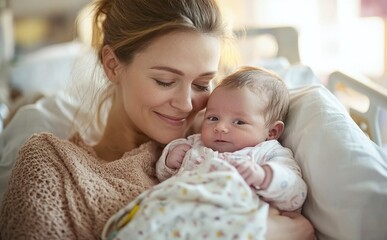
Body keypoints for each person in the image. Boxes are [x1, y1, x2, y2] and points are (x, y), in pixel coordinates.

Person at [0, 0, 314, 239]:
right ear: (112, 65)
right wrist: (263, 232)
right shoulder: (52, 166)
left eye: (203, 84)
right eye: (165, 80)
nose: (186, 103)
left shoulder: (234, 146)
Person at [101, 66, 307, 239]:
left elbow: (295, 193)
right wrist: (170, 159)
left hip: (229, 217)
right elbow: (165, 178)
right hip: (180, 209)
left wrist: (265, 176)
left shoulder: (267, 153)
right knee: (146, 219)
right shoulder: (196, 143)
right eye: (213, 118)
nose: (221, 128)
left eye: (239, 122)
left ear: (272, 131)